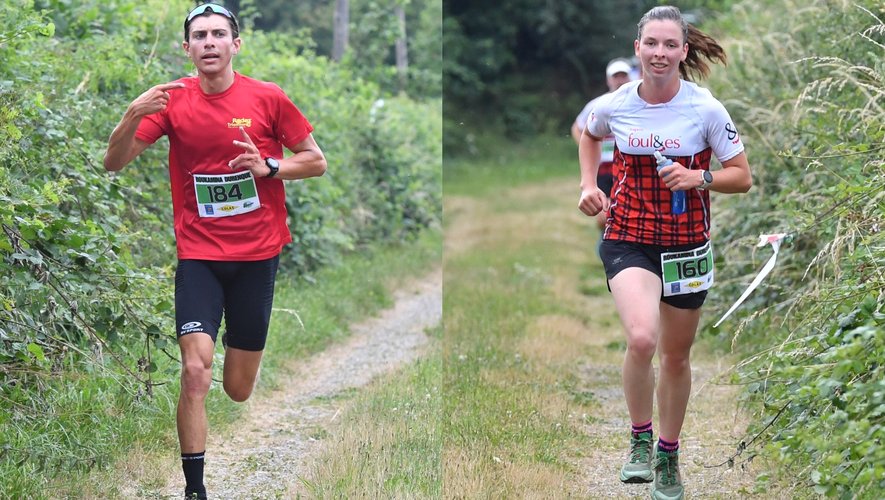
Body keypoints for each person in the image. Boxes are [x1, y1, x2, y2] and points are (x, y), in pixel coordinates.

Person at [102, 3, 327, 498]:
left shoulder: (268, 98)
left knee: (237, 388)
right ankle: (195, 490)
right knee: (194, 368)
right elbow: (113, 161)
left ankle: (238, 356)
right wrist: (131, 113)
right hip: (199, 255)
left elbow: (315, 162)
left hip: (256, 256)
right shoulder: (171, 100)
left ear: (234, 44)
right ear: (187, 48)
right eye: (199, 35)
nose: (208, 42)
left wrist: (268, 167)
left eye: (218, 34)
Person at [577, 5, 751, 500]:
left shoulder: (706, 109)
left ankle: (668, 455)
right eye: (650, 43)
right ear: (638, 49)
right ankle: (639, 439)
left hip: (686, 245)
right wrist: (588, 185)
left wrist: (701, 177)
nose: (659, 52)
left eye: (669, 44)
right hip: (628, 235)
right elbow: (589, 135)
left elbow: (742, 175)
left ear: (683, 51)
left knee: (675, 357)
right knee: (641, 339)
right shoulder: (618, 103)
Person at [571, 58, 634, 230]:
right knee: (603, 216)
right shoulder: (598, 105)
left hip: (627, 167)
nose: (620, 80)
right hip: (603, 169)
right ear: (608, 80)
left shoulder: (638, 104)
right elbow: (577, 128)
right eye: (616, 76)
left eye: (623, 75)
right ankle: (606, 244)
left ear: (630, 77)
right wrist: (587, 149)